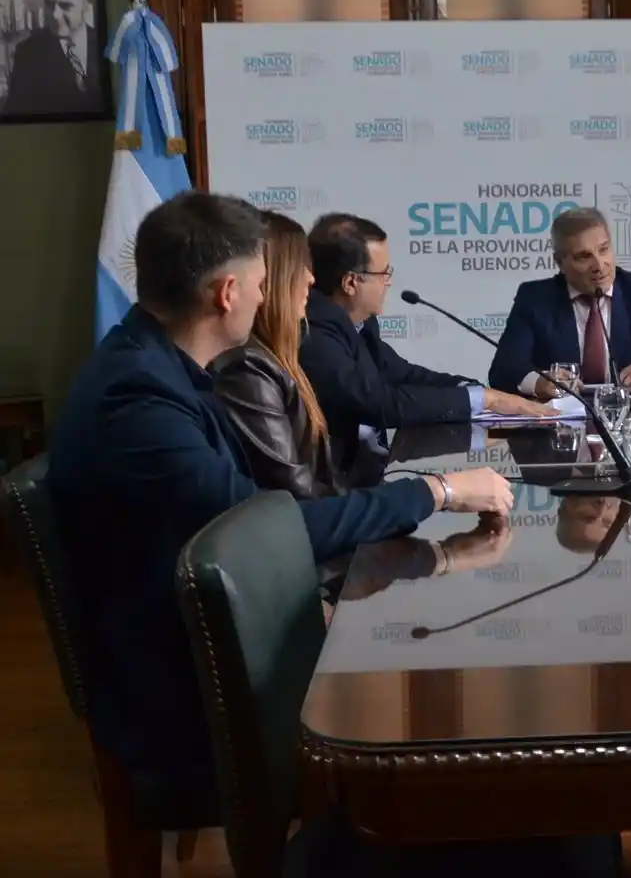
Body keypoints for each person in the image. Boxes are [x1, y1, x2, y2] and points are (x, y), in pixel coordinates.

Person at [45, 191, 513, 802]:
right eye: (264, 283)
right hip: (187, 694)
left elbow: (259, 517)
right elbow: (267, 534)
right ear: (227, 294)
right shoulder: (140, 401)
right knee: (437, 728)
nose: (276, 297)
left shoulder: (155, 367)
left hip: (209, 643)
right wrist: (438, 491)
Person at [300, 213, 552, 477]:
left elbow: (403, 374)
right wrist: (485, 399)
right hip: (338, 486)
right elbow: (376, 402)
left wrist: (477, 393)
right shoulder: (315, 333)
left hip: (374, 472)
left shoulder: (360, 325)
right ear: (351, 282)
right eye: (384, 273)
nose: (389, 282)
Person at [487, 207, 631, 396]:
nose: (600, 266)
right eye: (584, 257)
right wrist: (540, 382)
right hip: (559, 421)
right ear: (560, 262)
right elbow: (503, 371)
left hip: (630, 420)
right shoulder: (535, 299)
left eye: (604, 250)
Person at [210, 211, 341, 498]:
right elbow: (295, 493)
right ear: (270, 276)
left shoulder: (277, 355)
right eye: (300, 264)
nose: (311, 277)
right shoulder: (246, 369)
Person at [2, 0, 106, 117]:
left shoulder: (108, 43)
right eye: (50, 4)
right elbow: (15, 114)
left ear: (88, 4)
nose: (55, 15)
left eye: (66, 6)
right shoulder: (28, 52)